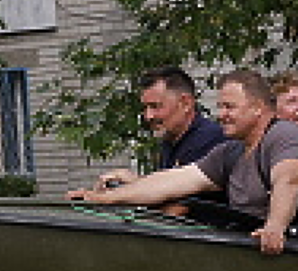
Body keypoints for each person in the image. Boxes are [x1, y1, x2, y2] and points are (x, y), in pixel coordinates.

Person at [69, 69, 298, 253]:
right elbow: (171, 183)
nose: (220, 115)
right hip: (265, 255)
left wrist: (275, 227)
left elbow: (288, 180)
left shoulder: (285, 134)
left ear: (258, 108)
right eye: (220, 107)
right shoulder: (230, 153)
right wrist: (103, 199)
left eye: (229, 107)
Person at [93, 66, 227, 190]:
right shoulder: (170, 141)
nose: (148, 116)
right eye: (145, 108)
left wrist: (135, 185)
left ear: (186, 104)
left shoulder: (209, 139)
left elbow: (176, 207)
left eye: (155, 106)